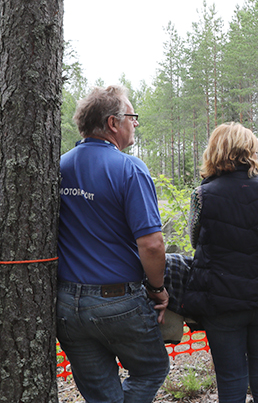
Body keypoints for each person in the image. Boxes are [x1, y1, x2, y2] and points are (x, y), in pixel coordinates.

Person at [56, 85, 170, 403]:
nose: (135, 123)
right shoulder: (130, 169)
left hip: (64, 303)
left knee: (102, 395)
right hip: (117, 300)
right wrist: (158, 288)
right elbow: (152, 245)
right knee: (152, 368)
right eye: (132, 116)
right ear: (112, 123)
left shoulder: (58, 167)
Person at [182, 122, 258, 403]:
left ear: (215, 152)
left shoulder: (201, 194)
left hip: (222, 300)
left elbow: (195, 240)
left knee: (231, 383)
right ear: (250, 152)